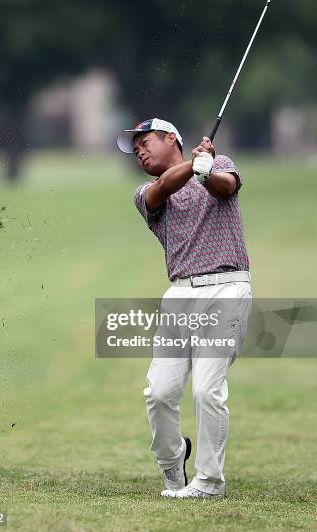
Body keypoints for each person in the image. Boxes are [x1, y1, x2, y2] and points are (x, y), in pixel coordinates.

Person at [116, 118, 252, 499]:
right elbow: (163, 187)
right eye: (136, 148)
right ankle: (172, 462)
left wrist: (207, 170)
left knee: (207, 391)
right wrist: (195, 165)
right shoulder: (145, 193)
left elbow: (227, 188)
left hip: (228, 287)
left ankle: (209, 482)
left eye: (145, 142)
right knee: (159, 392)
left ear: (171, 138)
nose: (139, 151)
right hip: (179, 294)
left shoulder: (218, 163)